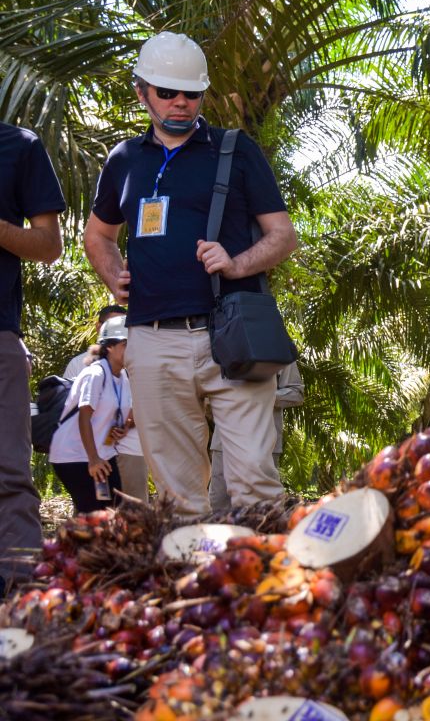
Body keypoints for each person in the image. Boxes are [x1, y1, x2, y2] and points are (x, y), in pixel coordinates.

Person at [83, 31, 298, 517]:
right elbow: (97, 236)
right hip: (152, 339)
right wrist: (112, 275)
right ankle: (198, 590)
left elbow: (283, 235)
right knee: (179, 500)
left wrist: (236, 262)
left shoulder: (235, 149)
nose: (181, 103)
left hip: (233, 337)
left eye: (191, 93)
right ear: (142, 92)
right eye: (167, 92)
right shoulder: (123, 160)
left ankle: (270, 591)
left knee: (255, 489)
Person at [0, 121, 64, 591]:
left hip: (0, 335)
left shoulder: (19, 146)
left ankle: (22, 594)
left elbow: (48, 246)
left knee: (8, 471)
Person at [48, 316, 132, 514]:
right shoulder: (95, 374)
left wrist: (123, 428)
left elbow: (121, 415)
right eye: (126, 344)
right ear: (110, 347)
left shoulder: (123, 377)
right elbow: (83, 417)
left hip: (104, 453)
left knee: (113, 512)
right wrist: (93, 459)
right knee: (94, 515)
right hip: (74, 456)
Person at [208, 361, 304, 512]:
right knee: (218, 504)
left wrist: (262, 395)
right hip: (224, 442)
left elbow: (297, 393)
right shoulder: (221, 342)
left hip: (266, 443)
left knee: (264, 507)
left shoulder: (276, 344)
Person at [63, 304, 127, 379]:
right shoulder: (77, 364)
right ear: (99, 327)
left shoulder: (134, 366)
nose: (121, 331)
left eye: (125, 326)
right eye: (114, 326)